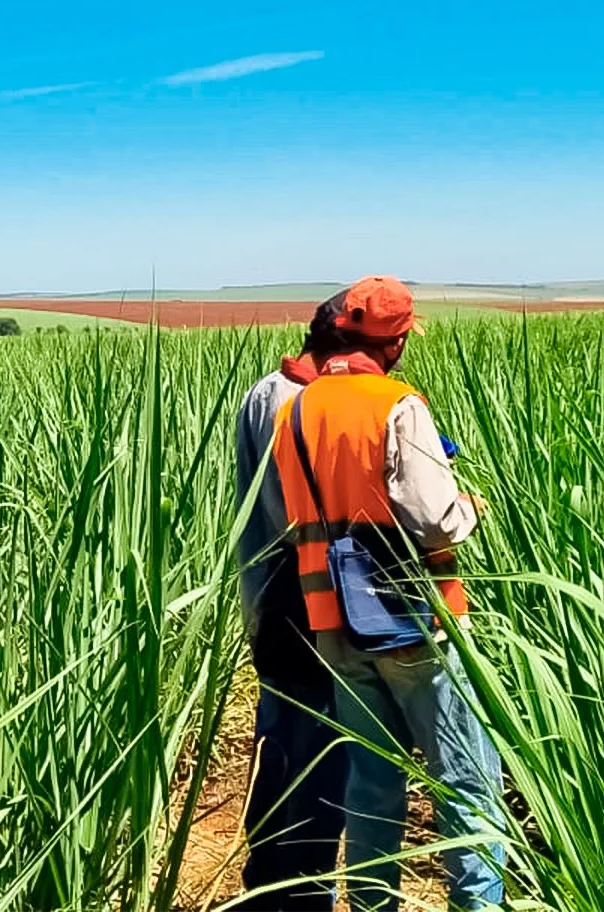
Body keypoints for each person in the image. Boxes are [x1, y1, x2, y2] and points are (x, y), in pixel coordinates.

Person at [270, 275, 505, 912]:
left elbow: (299, 521)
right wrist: (471, 509)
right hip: (414, 620)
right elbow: (434, 518)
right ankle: (477, 905)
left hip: (332, 620)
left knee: (372, 783)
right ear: (396, 341)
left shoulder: (296, 409)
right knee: (467, 779)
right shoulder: (399, 405)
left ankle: (374, 905)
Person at [234, 298, 353, 909]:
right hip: (307, 601)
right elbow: (300, 518)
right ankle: (301, 896)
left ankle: (266, 887)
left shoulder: (265, 389)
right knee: (321, 754)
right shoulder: (299, 403)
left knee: (280, 739)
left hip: (267, 596)